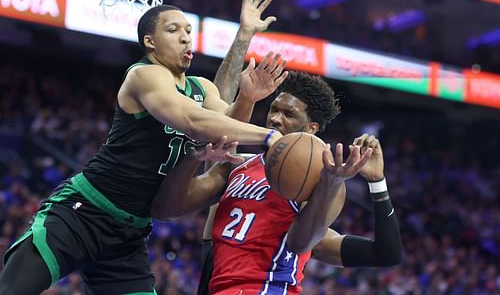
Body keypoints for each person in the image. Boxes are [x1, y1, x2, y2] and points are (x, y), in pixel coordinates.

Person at [0, 0, 286, 295]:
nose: (185, 36)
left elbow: (226, 127)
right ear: (149, 42)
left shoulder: (201, 87)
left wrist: (247, 93)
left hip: (129, 233)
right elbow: (193, 120)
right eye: (173, 29)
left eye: (188, 30)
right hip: (83, 213)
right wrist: (270, 136)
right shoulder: (144, 75)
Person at [151, 71, 402, 295]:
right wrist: (193, 157)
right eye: (274, 109)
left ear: (311, 127)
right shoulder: (237, 165)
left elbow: (300, 244)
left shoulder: (321, 181)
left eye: (288, 113)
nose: (276, 119)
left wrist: (359, 182)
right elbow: (166, 210)